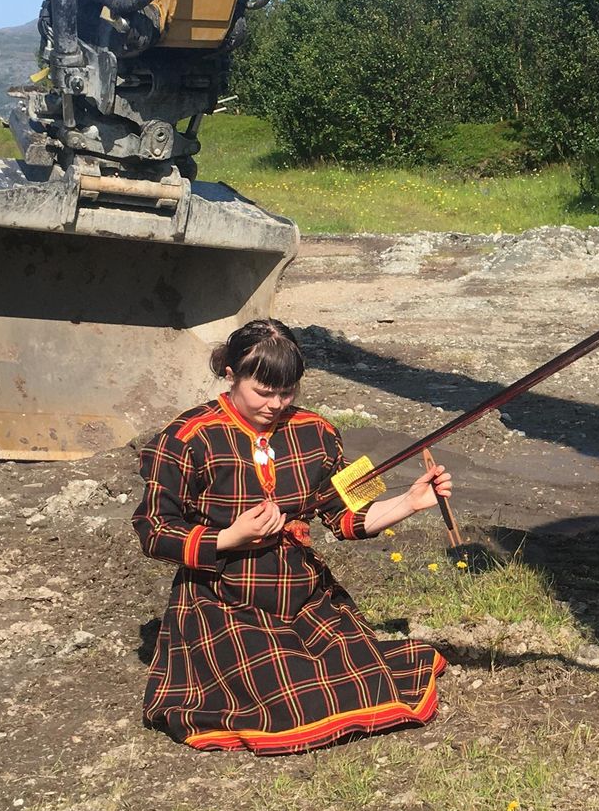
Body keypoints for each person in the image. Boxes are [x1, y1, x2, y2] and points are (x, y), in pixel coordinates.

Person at [134, 317, 450, 753]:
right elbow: (152, 529)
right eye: (263, 392)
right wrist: (228, 537)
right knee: (284, 700)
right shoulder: (186, 437)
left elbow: (343, 516)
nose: (276, 404)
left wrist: (408, 504)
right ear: (230, 375)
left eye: (287, 392)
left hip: (303, 591)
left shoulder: (317, 431)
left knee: (360, 682)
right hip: (223, 596)